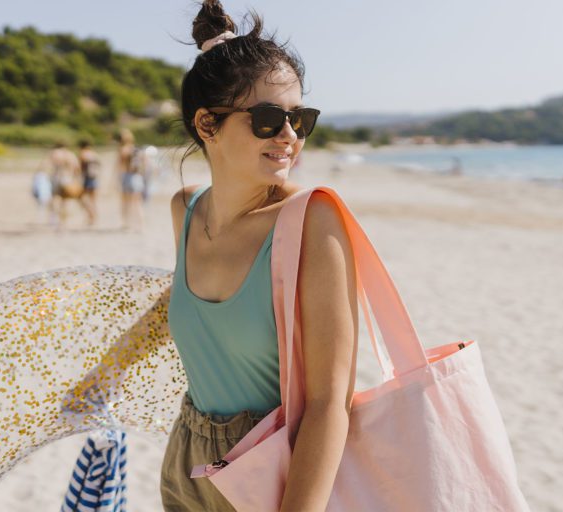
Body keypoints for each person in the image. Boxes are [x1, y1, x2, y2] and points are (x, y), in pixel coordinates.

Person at [160, 2, 351, 511]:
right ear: (207, 124)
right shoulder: (186, 210)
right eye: (268, 120)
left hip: (275, 471)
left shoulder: (312, 219)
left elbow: (332, 402)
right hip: (186, 462)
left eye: (299, 118)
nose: (289, 136)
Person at [39, 141, 82, 230]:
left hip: (55, 177)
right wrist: (75, 178)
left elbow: (44, 165)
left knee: (54, 199)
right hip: (67, 178)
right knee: (64, 202)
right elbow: (76, 167)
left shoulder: (54, 153)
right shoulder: (70, 154)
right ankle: (63, 223)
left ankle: (53, 219)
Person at [116, 128, 144, 232]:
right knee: (137, 203)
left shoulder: (123, 150)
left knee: (125, 202)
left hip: (127, 177)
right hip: (137, 177)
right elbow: (145, 164)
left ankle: (126, 224)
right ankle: (140, 225)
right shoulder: (136, 149)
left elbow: (120, 166)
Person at [77, 139, 101, 227]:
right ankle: (94, 218)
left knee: (84, 199)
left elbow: (78, 168)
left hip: (87, 179)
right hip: (95, 178)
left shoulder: (82, 154)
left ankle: (90, 216)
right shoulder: (94, 154)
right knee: (93, 200)